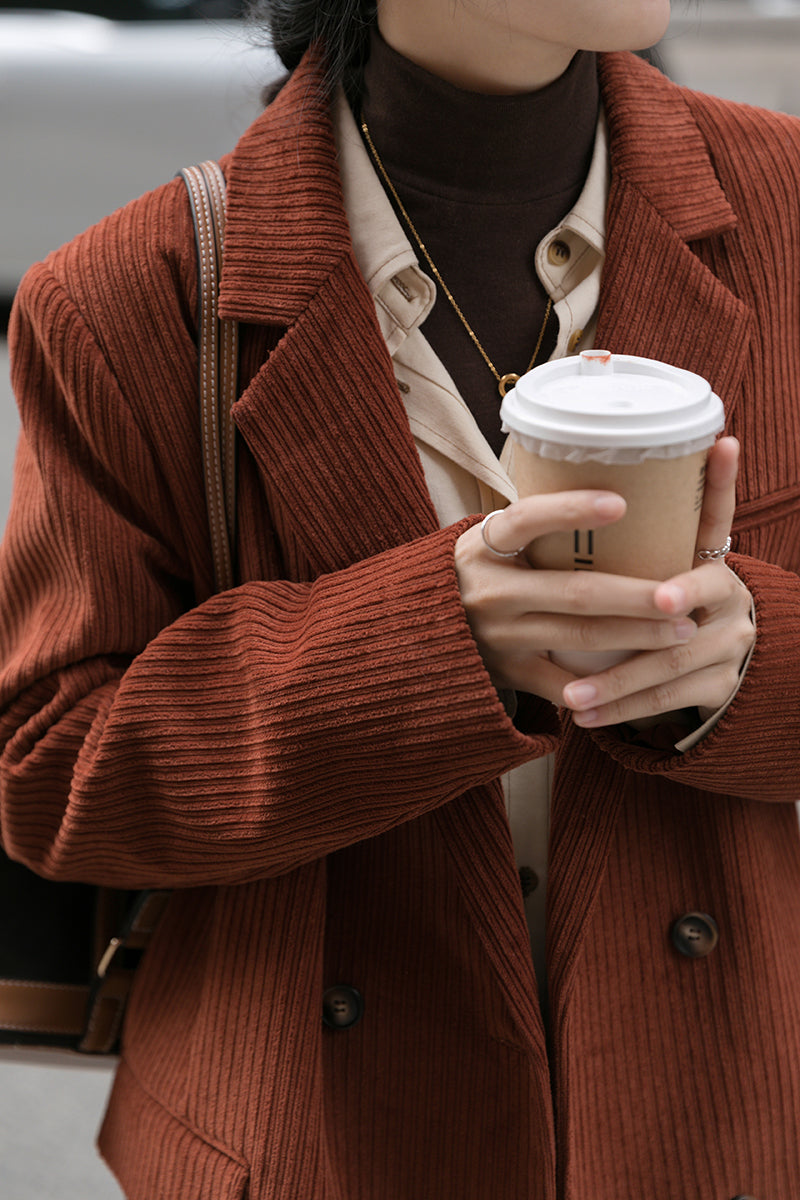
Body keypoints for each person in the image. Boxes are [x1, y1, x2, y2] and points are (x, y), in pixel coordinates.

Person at [1, 0, 798, 1196]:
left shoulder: (783, 213)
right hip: (316, 1138)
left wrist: (744, 662)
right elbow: (54, 774)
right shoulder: (128, 296)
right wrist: (424, 648)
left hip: (716, 1115)